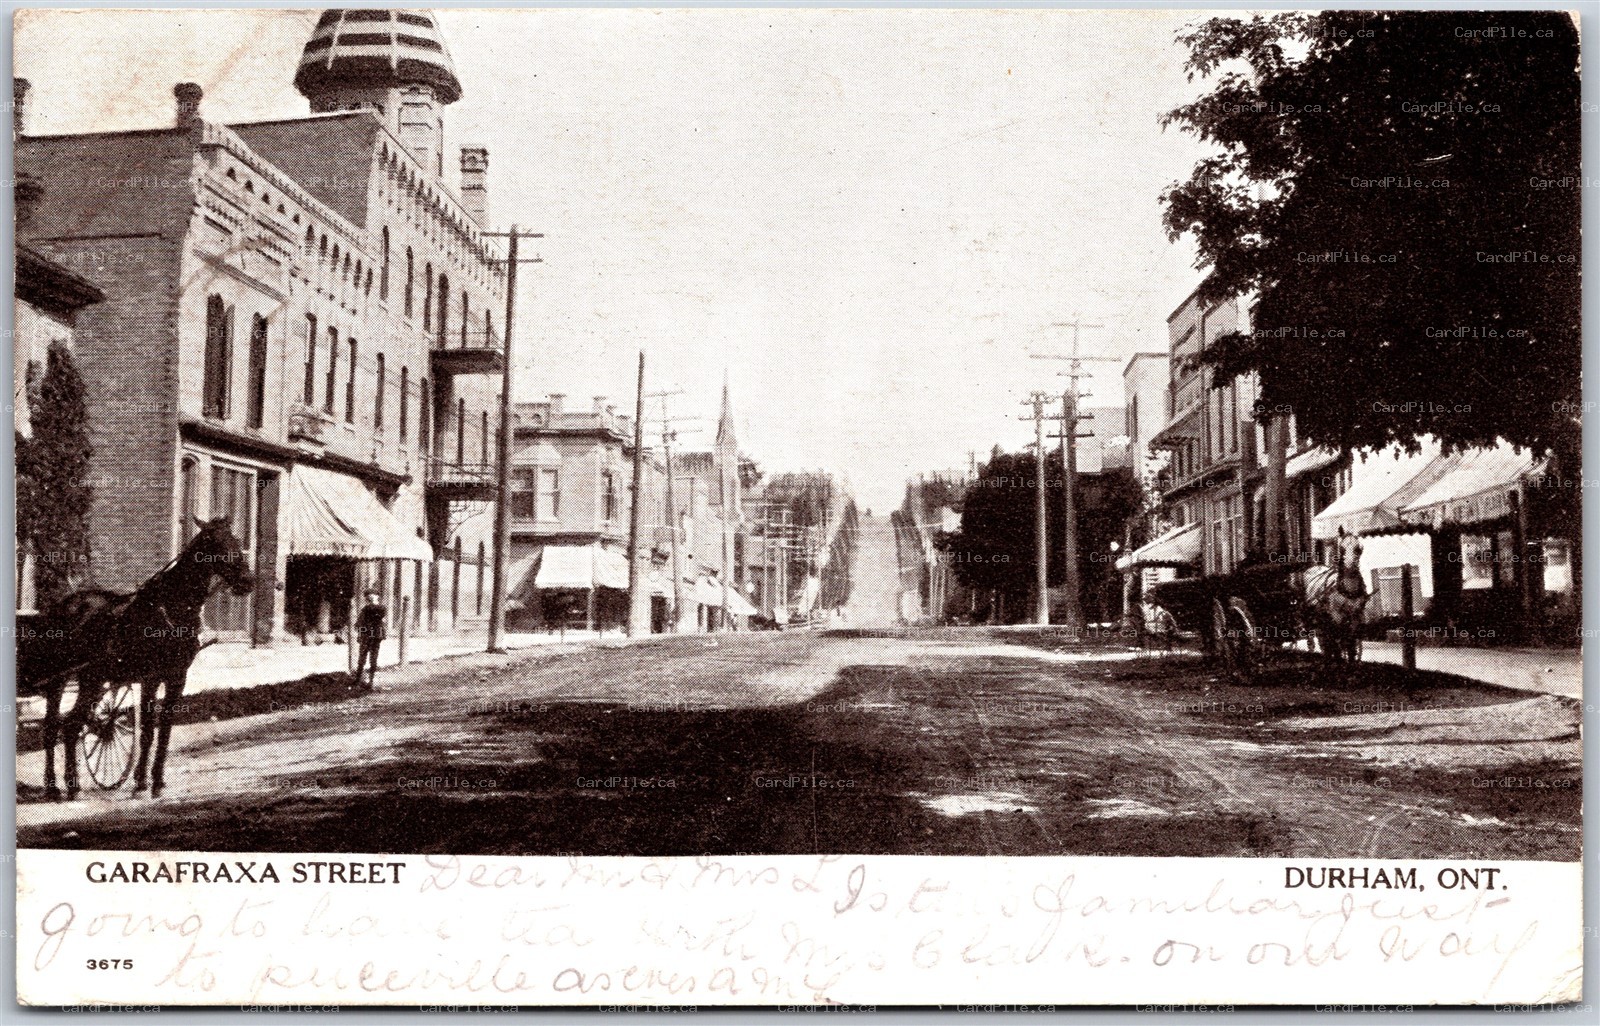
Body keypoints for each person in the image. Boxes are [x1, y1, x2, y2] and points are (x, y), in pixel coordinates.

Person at [355, 588, 387, 686]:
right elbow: (359, 623)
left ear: (377, 596)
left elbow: (379, 615)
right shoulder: (365, 609)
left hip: (376, 634)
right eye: (368, 596)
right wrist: (360, 633)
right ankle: (358, 679)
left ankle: (371, 680)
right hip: (366, 634)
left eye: (373, 594)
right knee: (362, 656)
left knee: (373, 657)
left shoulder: (381, 608)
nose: (370, 596)